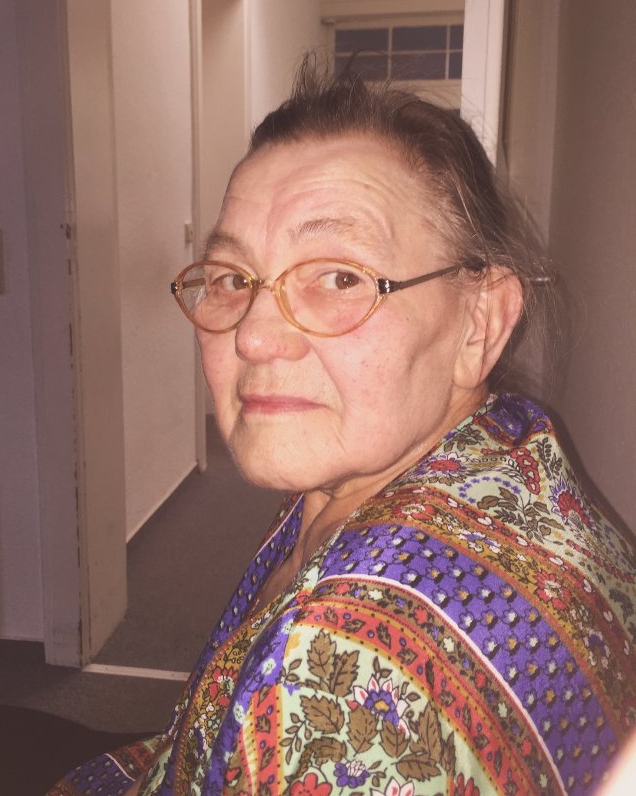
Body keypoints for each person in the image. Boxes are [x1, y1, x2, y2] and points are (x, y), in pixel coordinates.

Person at [49, 62, 636, 795]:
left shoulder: (343, 669)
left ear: (481, 323)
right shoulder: (505, 440)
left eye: (340, 277)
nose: (252, 336)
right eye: (232, 278)